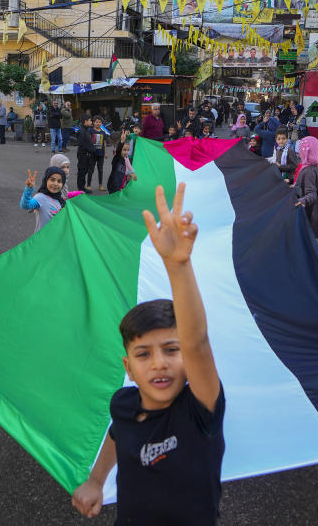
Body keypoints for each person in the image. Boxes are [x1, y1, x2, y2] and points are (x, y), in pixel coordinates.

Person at [71, 184, 225, 524]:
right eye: (143, 354)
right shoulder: (123, 405)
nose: (159, 363)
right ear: (128, 366)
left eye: (172, 350)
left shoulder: (200, 413)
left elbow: (197, 341)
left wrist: (177, 265)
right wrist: (96, 481)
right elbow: (117, 435)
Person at [293, 136, 318, 239]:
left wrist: (303, 201)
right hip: (311, 215)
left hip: (308, 215)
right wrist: (295, 185)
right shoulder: (315, 168)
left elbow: (312, 193)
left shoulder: (309, 171)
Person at [21, 167, 66, 233]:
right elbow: (25, 205)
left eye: (59, 181)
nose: (56, 184)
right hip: (42, 240)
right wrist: (28, 189)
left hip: (56, 239)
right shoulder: (41, 197)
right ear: (46, 180)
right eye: (52, 180)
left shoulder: (60, 200)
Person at [76, 115, 96, 193]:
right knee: (82, 171)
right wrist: (91, 149)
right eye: (90, 120)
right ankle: (80, 189)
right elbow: (81, 143)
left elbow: (88, 142)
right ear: (85, 121)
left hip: (87, 154)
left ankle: (82, 187)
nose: (91, 122)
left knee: (84, 171)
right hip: (83, 154)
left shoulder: (87, 130)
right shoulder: (82, 130)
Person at [87, 116, 108, 192]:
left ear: (101, 123)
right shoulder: (90, 130)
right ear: (93, 122)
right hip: (92, 154)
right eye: (96, 122)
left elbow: (104, 143)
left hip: (101, 154)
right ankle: (88, 185)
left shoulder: (103, 132)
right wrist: (88, 151)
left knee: (100, 169)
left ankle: (100, 185)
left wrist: (105, 153)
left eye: (99, 122)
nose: (98, 123)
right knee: (91, 169)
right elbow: (88, 142)